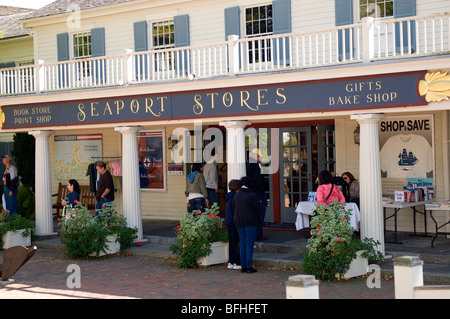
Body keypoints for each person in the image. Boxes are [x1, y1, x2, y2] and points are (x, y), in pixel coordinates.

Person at [232, 176, 262, 274]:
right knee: (249, 244)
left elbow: (233, 208)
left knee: (242, 244)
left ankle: (243, 266)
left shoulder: (236, 195)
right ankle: (249, 267)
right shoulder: (251, 194)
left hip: (239, 221)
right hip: (250, 221)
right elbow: (258, 208)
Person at [246, 148, 267, 240]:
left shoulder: (247, 164)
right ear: (253, 156)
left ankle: (255, 234)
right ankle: (258, 234)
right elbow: (258, 180)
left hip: (251, 192)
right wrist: (262, 189)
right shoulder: (254, 165)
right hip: (257, 192)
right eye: (258, 155)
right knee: (259, 214)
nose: (260, 157)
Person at [225, 179, 242, 270]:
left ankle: (231, 262)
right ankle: (237, 262)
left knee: (232, 243)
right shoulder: (236, 197)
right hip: (235, 222)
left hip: (229, 222)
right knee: (237, 243)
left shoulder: (228, 197)